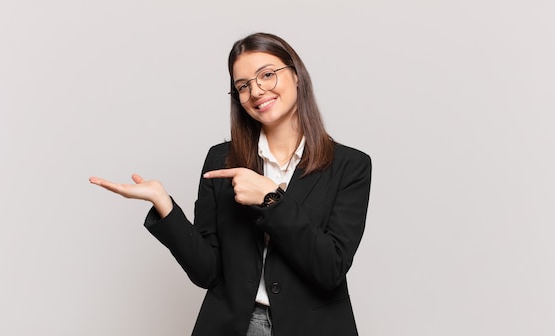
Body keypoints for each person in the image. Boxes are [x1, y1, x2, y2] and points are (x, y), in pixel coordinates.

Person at [89, 32, 371, 336]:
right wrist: (165, 205)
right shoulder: (221, 160)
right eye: (243, 86)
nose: (256, 91)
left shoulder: (350, 166)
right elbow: (206, 271)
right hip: (232, 326)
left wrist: (270, 200)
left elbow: (330, 269)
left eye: (267, 75)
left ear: (297, 75)